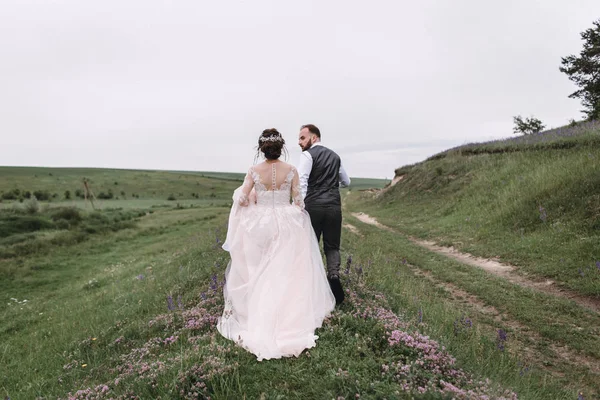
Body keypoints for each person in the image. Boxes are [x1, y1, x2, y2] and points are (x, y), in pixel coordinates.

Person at [217, 128, 336, 361]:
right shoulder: (291, 170)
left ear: (262, 149)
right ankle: (286, 317)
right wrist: (292, 210)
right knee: (284, 270)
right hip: (285, 221)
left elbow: (242, 198)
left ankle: (260, 315)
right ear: (281, 148)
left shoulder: (253, 171)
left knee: (259, 268)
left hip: (259, 222)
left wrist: (246, 198)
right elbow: (299, 201)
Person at [297, 124, 350, 305]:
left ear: (314, 137)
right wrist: (331, 186)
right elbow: (346, 181)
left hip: (314, 207)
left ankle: (312, 285)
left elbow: (302, 181)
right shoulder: (335, 156)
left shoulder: (307, 155)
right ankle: (333, 276)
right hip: (334, 207)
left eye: (303, 138)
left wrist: (300, 206)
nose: (299, 142)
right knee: (332, 246)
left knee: (310, 245)